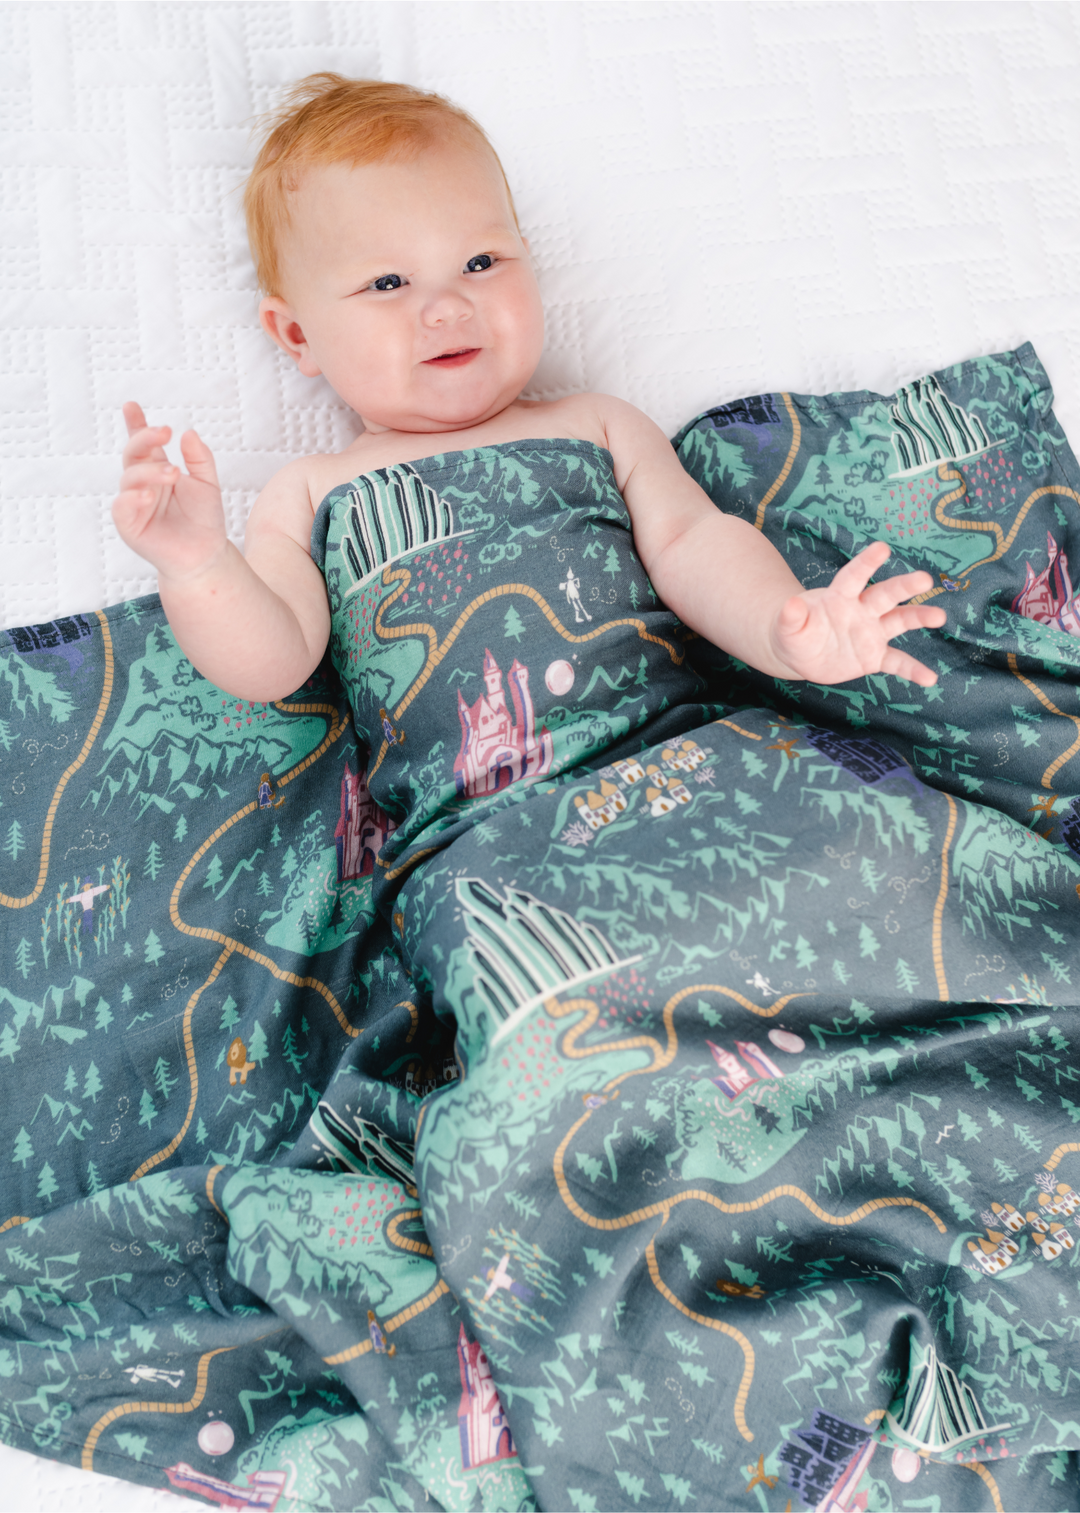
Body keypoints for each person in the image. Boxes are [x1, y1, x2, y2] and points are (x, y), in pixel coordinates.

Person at [113, 73, 945, 719]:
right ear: (297, 335)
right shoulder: (308, 491)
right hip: (485, 826)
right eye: (389, 282)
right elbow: (275, 660)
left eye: (481, 263)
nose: (448, 306)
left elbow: (695, 543)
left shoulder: (598, 425)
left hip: (675, 747)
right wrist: (198, 565)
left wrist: (784, 626)